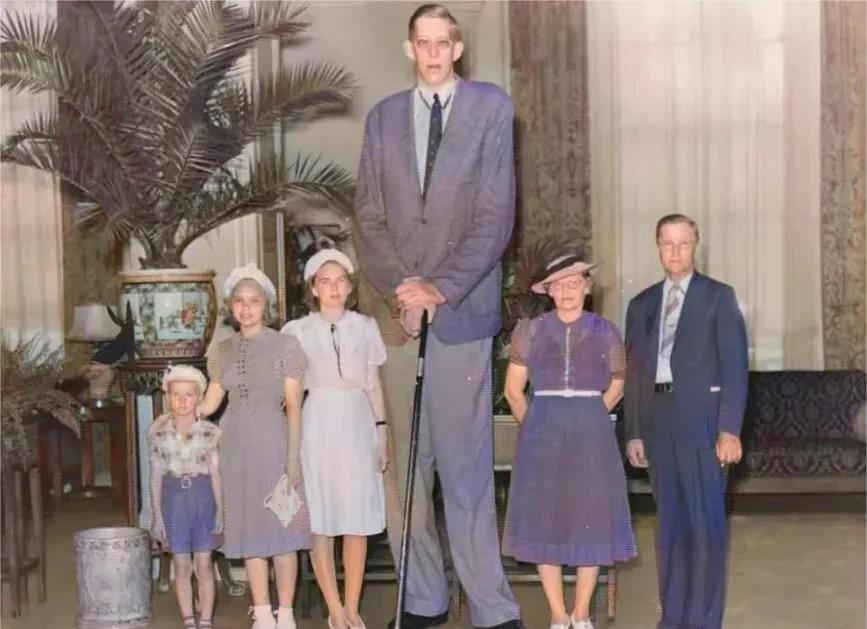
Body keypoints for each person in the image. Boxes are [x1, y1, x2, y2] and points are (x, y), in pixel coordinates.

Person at [353, 4, 521, 628]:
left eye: (442, 43)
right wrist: (405, 291)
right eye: (421, 43)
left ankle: (491, 609)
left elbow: (495, 217)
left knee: (465, 470)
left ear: (457, 48)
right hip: (399, 316)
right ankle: (421, 601)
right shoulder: (382, 119)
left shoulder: (490, 109)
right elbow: (367, 216)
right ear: (409, 49)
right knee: (405, 472)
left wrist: (440, 289)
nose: (431, 53)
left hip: (460, 314)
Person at [624, 214, 748, 629]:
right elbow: (634, 374)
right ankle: (673, 617)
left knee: (705, 528)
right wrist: (634, 432)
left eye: (683, 243)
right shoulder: (641, 305)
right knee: (670, 529)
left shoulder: (719, 297)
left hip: (704, 427)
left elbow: (735, 369)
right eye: (667, 243)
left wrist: (729, 429)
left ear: (696, 246)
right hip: (658, 426)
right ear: (657, 247)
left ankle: (703, 620)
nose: (675, 252)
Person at [501, 254, 637, 629]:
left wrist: (589, 416)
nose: (567, 291)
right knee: (545, 519)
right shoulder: (530, 331)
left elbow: (617, 385)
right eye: (559, 285)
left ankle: (581, 613)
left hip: (592, 435)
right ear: (548, 291)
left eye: (574, 283)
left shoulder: (606, 332)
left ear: (587, 288)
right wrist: (538, 427)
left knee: (590, 517)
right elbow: (513, 390)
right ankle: (558, 615)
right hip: (541, 434)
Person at [281, 249, 388, 629]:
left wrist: (382, 431)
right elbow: (290, 394)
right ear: (313, 288)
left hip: (357, 422)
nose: (334, 288)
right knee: (321, 517)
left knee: (356, 518)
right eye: (325, 282)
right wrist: (292, 448)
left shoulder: (365, 327)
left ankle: (353, 606)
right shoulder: (297, 331)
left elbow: (373, 384)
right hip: (318, 423)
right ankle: (334, 608)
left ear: (350, 287)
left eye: (340, 281)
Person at [199, 264, 310, 629]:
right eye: (239, 301)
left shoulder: (285, 345)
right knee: (250, 531)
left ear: (267, 305)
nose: (246, 308)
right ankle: (262, 612)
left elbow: (293, 405)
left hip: (274, 443)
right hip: (235, 448)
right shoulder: (223, 350)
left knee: (282, 530)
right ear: (230, 306)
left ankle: (285, 613)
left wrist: (292, 460)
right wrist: (181, 405)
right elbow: (211, 402)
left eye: (254, 301)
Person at [149, 365, 222, 629]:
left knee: (203, 565)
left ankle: (206, 619)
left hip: (202, 499)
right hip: (173, 501)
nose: (182, 401)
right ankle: (189, 619)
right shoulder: (157, 432)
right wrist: (157, 516)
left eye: (188, 395)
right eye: (176, 395)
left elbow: (215, 475)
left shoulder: (210, 433)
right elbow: (155, 476)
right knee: (181, 566)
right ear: (167, 396)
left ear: (199, 397)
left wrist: (220, 512)